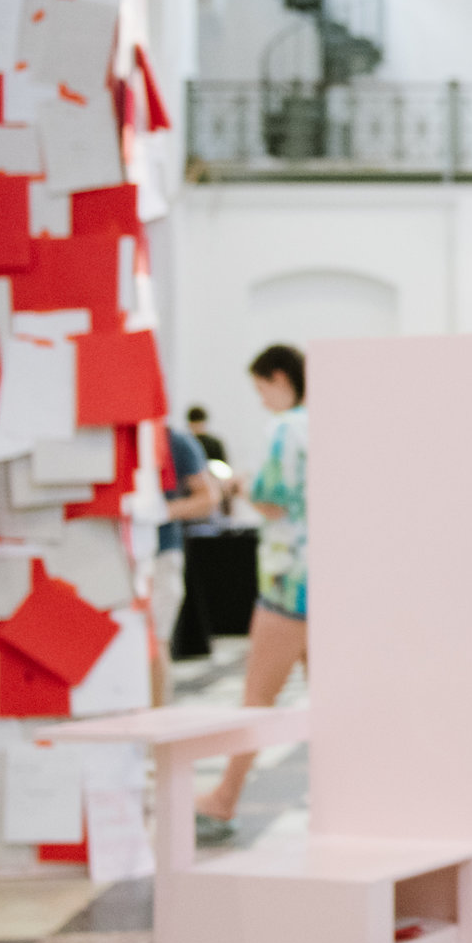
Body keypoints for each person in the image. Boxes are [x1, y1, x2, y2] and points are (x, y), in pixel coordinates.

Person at [194, 345, 308, 842]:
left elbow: (270, 497)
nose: (261, 400)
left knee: (258, 696)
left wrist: (239, 487)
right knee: (335, 703)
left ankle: (224, 798)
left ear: (278, 378)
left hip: (289, 580)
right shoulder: (330, 425)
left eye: (261, 387)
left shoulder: (286, 429)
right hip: (330, 578)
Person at [149, 420, 219, 702]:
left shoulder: (173, 440)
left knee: (155, 642)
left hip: (161, 553)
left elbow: (208, 498)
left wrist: (161, 511)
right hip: (111, 556)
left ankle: (155, 725)